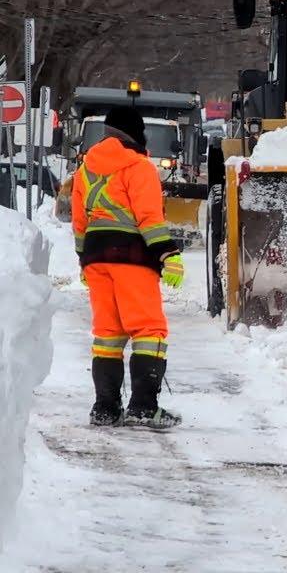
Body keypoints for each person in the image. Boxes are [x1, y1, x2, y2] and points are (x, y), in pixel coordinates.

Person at [72, 107, 184, 429]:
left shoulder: (85, 170)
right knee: (149, 330)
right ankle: (144, 407)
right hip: (131, 258)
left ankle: (105, 409)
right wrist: (168, 255)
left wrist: (84, 260)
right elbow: (149, 218)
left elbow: (80, 222)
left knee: (108, 333)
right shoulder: (139, 167)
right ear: (136, 133)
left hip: (96, 258)